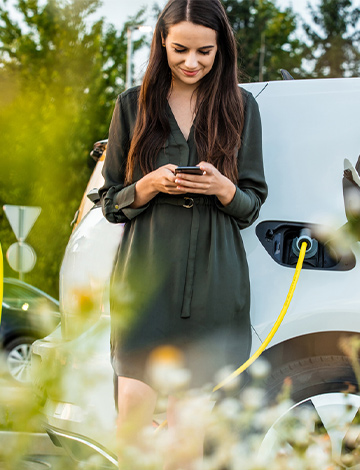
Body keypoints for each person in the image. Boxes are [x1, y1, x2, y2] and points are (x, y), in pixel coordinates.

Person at [99, 0, 267, 467]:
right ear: (161, 44)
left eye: (205, 52)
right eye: (180, 49)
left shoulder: (240, 106)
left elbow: (251, 204)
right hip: (146, 274)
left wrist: (223, 187)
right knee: (132, 419)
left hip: (215, 279)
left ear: (222, 51)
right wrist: (148, 185)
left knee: (186, 433)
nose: (192, 62)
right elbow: (111, 202)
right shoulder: (132, 104)